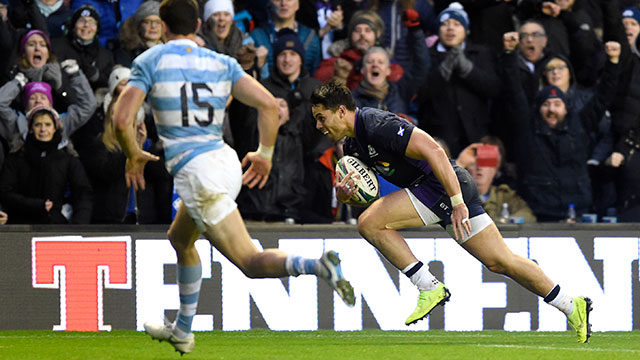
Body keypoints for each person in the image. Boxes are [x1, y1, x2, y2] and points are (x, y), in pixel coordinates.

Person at [112, 0, 355, 354]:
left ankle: (318, 266)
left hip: (197, 173)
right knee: (180, 239)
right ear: (198, 24)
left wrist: (133, 154)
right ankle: (182, 330)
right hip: (226, 162)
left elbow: (121, 120)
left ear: (163, 26)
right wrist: (265, 154)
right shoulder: (220, 61)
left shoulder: (150, 60)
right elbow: (270, 105)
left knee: (250, 263)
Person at [311, 81, 592, 343]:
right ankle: (571, 304)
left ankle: (428, 286)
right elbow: (370, 193)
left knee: (370, 224)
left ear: (342, 111)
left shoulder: (376, 123)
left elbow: (434, 150)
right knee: (500, 261)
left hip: (441, 186)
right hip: (436, 191)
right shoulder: (352, 146)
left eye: (321, 117)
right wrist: (345, 196)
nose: (318, 125)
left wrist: (457, 203)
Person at [502, 31, 622, 222]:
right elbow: (513, 90)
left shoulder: (580, 123)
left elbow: (603, 96)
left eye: (557, 104)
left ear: (566, 108)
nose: (551, 109)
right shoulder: (528, 126)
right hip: (538, 211)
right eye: (546, 104)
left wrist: (613, 62)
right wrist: (509, 54)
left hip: (577, 209)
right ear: (538, 108)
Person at [416, 2, 500, 157]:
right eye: (445, 24)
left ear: (466, 30)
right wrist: (443, 71)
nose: (450, 28)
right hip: (439, 138)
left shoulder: (481, 53)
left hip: (476, 134)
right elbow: (418, 94)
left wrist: (468, 70)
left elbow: (493, 89)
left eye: (457, 24)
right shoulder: (427, 55)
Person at [0, 105, 93, 224]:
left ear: (55, 128)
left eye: (48, 124)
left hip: (54, 225)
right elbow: (5, 192)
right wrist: (36, 205)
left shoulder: (67, 158)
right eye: (38, 124)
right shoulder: (16, 157)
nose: (43, 129)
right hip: (20, 225)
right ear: (31, 128)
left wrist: (79, 224)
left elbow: (83, 192)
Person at [456, 137, 537, 223]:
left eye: (485, 163)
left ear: (494, 169)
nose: (479, 168)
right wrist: (460, 163)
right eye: (474, 164)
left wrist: (505, 221)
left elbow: (528, 216)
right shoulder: (458, 195)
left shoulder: (504, 195)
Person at [52, 4, 115, 91]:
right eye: (82, 21)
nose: (86, 25)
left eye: (91, 22)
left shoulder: (105, 55)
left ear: (97, 28)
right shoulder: (57, 46)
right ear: (73, 25)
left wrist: (95, 77)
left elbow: (110, 82)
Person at [114, 1, 165, 67]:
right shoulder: (126, 52)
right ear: (139, 25)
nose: (153, 26)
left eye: (158, 22)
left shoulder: (170, 50)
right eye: (147, 22)